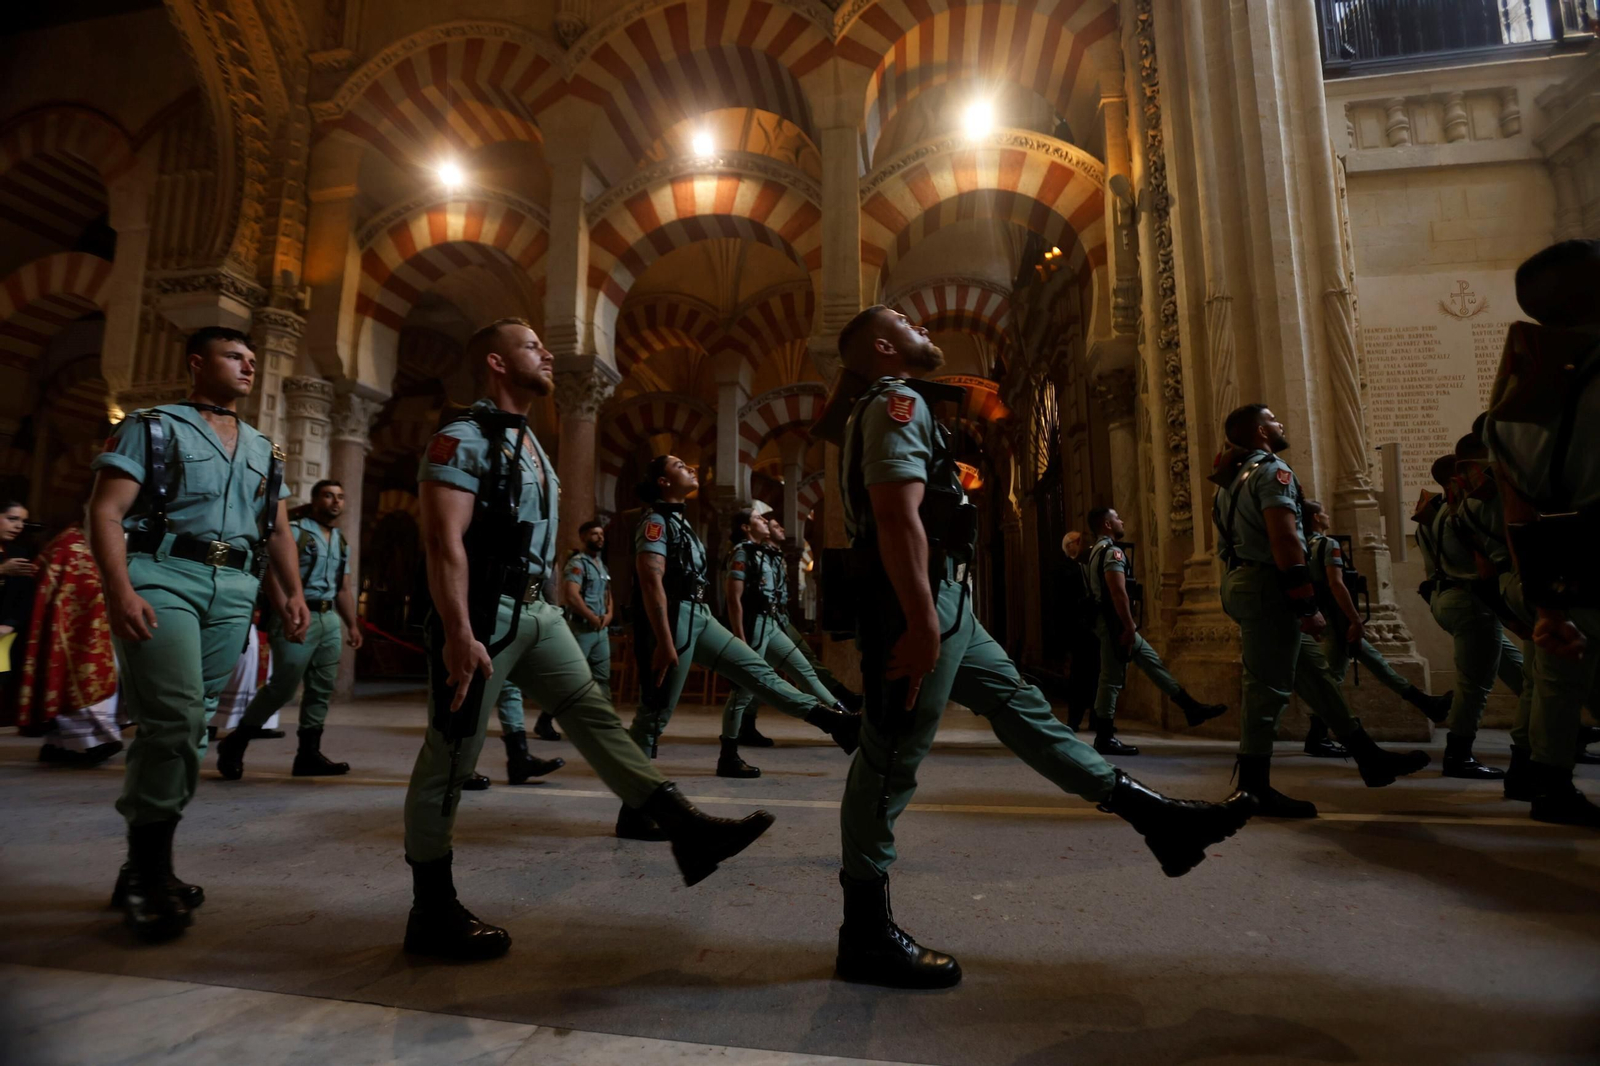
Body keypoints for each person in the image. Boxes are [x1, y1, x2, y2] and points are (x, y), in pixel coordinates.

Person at [821, 306, 1255, 989]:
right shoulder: (898, 401)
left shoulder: (899, 404)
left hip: (950, 602)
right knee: (890, 756)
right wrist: (921, 622)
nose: (921, 328)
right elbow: (894, 516)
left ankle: (1157, 820)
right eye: (905, 321)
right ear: (883, 346)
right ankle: (865, 933)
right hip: (920, 605)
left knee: (1026, 712)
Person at [401, 318, 776, 960]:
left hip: (536, 612)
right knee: (451, 754)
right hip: (483, 614)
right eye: (530, 346)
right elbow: (443, 543)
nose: (547, 353)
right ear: (495, 362)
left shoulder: (532, 446)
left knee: (593, 714)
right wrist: (460, 632)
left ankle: (685, 827)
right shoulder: (461, 439)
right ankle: (430, 907)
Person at [88, 325, 310, 941]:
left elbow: (277, 530)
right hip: (162, 576)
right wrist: (119, 589)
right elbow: (106, 511)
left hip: (234, 589)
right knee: (176, 720)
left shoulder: (266, 447)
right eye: (233, 356)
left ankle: (142, 863)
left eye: (252, 360)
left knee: (193, 723)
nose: (247, 367)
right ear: (196, 363)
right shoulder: (153, 425)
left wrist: (290, 593)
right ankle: (149, 873)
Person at [1211, 403, 1429, 818]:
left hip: (1244, 583)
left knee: (1315, 676)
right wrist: (1306, 603)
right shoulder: (1274, 472)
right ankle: (1253, 789)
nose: (1280, 423)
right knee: (1266, 689)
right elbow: (1286, 539)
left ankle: (1368, 756)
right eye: (1274, 419)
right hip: (1270, 588)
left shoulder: (1228, 482)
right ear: (1260, 432)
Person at [624, 456, 859, 803]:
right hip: (673, 620)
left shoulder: (681, 524)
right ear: (662, 481)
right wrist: (663, 639)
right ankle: (634, 809)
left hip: (700, 615)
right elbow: (650, 580)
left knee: (758, 672)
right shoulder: (655, 522)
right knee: (654, 714)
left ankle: (835, 723)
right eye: (677, 465)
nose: (689, 466)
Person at [1483, 238, 1600, 826]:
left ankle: (1550, 784)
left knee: (1556, 679)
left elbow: (1516, 512)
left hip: (1562, 570)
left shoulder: (1509, 408)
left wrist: (1545, 604)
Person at [216, 479, 364, 779]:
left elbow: (344, 589)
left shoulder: (340, 540)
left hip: (328, 618)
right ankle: (236, 742)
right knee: (283, 687)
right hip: (298, 614)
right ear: (315, 499)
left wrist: (352, 624)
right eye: (328, 496)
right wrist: (285, 612)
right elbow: (270, 573)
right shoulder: (295, 532)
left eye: (340, 496)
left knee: (321, 689)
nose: (335, 502)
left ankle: (307, 755)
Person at [1298, 499, 1453, 759]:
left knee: (1374, 662)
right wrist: (1356, 619)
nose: (1326, 515)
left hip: (1324, 617)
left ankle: (1427, 704)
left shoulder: (1302, 547)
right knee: (1333, 679)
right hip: (1338, 620)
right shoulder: (1328, 545)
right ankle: (1317, 736)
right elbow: (1337, 584)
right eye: (1323, 512)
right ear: (1315, 518)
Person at [1083, 506, 1226, 755]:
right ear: (1107, 524)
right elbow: (1118, 593)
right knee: (1111, 678)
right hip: (1114, 623)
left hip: (1109, 621)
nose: (1122, 520)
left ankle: (1191, 707)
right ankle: (1104, 736)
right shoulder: (1112, 552)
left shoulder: (1094, 551)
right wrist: (1128, 626)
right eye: (1117, 518)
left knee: (1151, 662)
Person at [738, 517, 862, 749]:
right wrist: (740, 633)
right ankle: (742, 727)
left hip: (779, 619)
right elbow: (736, 596)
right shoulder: (749, 553)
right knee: (755, 676)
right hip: (763, 621)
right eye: (775, 526)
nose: (781, 528)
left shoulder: (771, 555)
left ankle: (841, 708)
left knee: (805, 665)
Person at [18, 519, 122, 766]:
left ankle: (59, 746)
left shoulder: (87, 542)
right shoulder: (70, 544)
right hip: (74, 629)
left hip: (97, 627)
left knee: (88, 685)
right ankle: (85, 744)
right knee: (74, 683)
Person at [0, 499, 37, 725]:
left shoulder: (18, 553)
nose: (19, 526)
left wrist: (10, 624)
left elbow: (25, 596)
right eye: (12, 519)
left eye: (23, 521)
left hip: (4, 635)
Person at [1059, 531, 1099, 732]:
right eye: (1078, 541)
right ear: (1070, 546)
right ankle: (1074, 720)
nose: (1082, 544)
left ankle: (1096, 718)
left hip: (1091, 628)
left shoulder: (1086, 564)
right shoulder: (1066, 569)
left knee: (1095, 674)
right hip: (1077, 629)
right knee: (1078, 676)